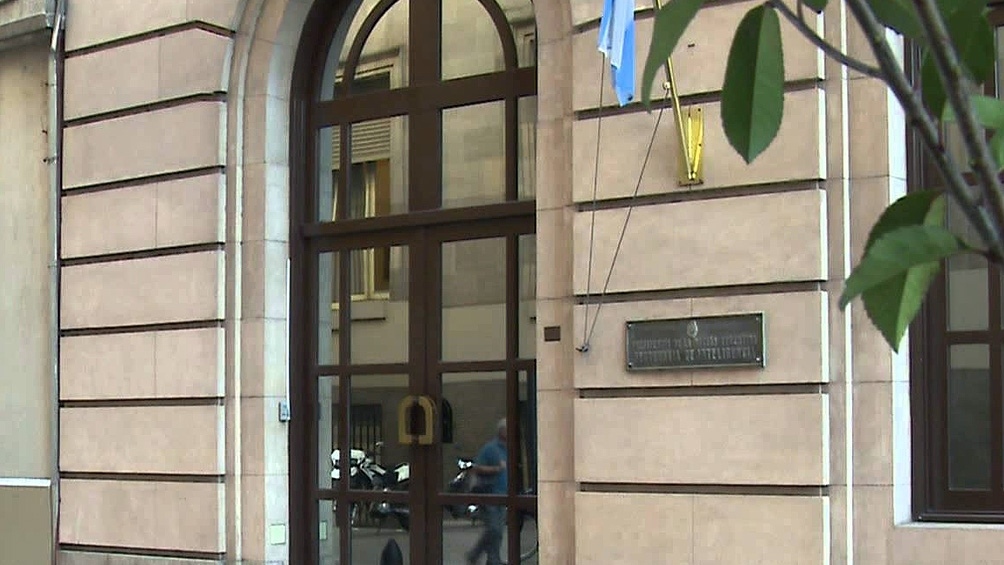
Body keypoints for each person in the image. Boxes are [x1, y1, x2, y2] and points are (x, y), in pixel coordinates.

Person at [465, 418, 507, 565]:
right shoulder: (490, 448)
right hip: (490, 493)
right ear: (501, 431)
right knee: (494, 529)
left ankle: (489, 558)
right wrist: (496, 469)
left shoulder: (508, 449)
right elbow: (477, 468)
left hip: (503, 495)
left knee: (497, 530)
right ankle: (487, 558)